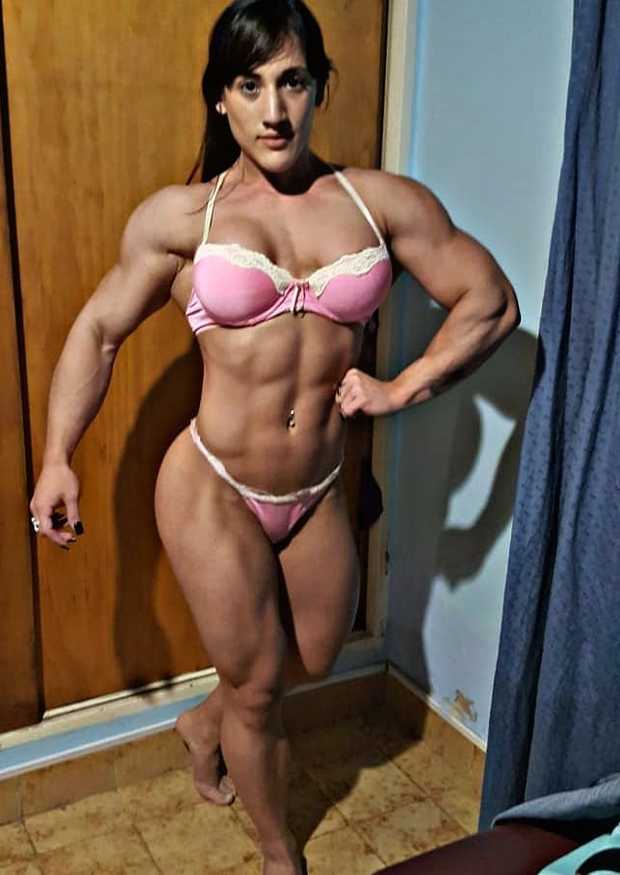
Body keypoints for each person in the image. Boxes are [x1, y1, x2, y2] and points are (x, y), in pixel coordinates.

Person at [29, 1, 520, 872]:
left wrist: (402, 387)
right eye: (249, 86)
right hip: (211, 481)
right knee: (260, 690)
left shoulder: (379, 205)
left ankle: (203, 721)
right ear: (220, 97)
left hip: (317, 484)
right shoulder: (183, 218)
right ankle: (277, 852)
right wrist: (56, 457)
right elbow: (98, 331)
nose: (273, 109)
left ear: (319, 86)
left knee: (314, 654)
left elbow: (491, 300)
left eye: (292, 82)